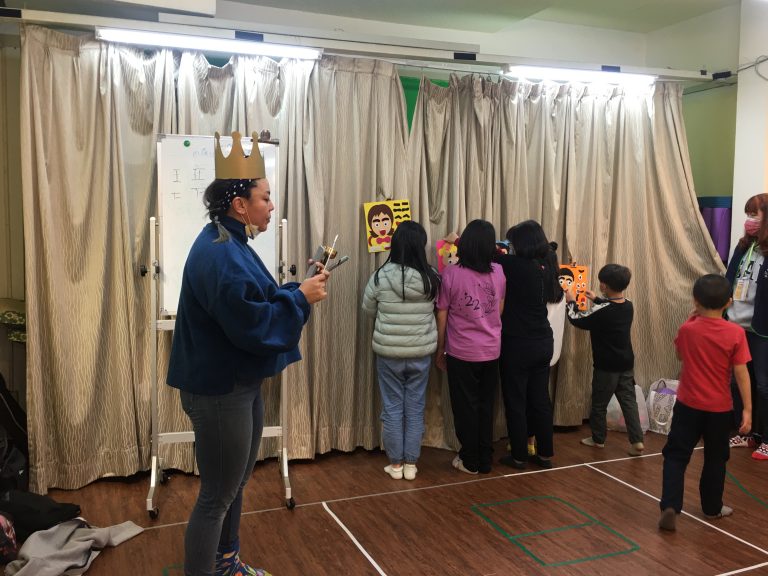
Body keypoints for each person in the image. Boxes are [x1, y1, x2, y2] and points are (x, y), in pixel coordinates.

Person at [167, 132, 330, 576]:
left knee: (234, 485)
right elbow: (252, 326)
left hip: (237, 384)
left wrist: (297, 291)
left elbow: (257, 301)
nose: (272, 206)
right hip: (220, 390)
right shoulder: (221, 254)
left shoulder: (230, 241)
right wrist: (301, 299)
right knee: (216, 496)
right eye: (266, 197)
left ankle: (226, 564)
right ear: (240, 205)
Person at [658, 274, 752, 531]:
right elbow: (741, 373)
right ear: (729, 302)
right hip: (720, 409)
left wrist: (691, 319)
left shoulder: (688, 329)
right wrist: (747, 409)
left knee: (676, 456)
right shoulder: (736, 333)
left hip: (688, 405)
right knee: (716, 458)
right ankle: (712, 508)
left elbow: (680, 355)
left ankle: (670, 505)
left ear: (695, 301)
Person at [362, 220, 441, 481]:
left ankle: (395, 465)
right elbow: (439, 308)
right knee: (415, 408)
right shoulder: (432, 277)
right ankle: (411, 465)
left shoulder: (380, 276)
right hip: (420, 353)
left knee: (393, 408)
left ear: (395, 245)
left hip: (389, 354)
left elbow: (368, 310)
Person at [435, 219, 505, 475]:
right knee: (486, 405)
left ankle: (470, 459)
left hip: (461, 352)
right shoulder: (499, 272)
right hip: (491, 350)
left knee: (465, 407)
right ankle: (484, 458)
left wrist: (440, 349)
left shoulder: (451, 273)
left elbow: (442, 314)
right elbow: (499, 309)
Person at [496, 221, 561, 470]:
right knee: (540, 400)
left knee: (516, 400)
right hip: (543, 341)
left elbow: (487, 254)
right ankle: (545, 455)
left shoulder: (514, 265)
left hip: (518, 343)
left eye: (512, 243)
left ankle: (519, 456)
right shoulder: (546, 265)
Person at [567, 264, 645, 456]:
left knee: (599, 404)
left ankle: (598, 439)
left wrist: (570, 301)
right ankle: (637, 441)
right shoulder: (628, 305)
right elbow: (610, 308)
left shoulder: (602, 311)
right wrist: (596, 299)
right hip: (626, 363)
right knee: (629, 402)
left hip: (606, 366)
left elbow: (576, 318)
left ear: (604, 285)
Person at [725, 193, 768, 460]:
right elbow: (729, 279)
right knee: (738, 382)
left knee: (763, 385)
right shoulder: (743, 247)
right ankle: (746, 432)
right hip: (736, 324)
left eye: (755, 214)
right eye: (748, 214)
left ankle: (766, 438)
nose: (750, 220)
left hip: (761, 329)